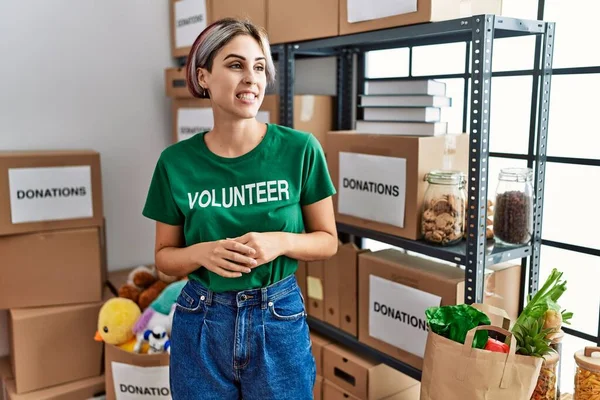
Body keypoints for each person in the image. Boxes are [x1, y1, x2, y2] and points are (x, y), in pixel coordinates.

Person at [142, 17, 338, 399]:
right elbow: (164, 260)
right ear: (203, 77)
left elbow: (328, 241)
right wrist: (204, 253)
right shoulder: (175, 163)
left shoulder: (301, 150)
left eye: (259, 66)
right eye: (235, 65)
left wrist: (278, 243)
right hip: (200, 321)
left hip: (278, 320)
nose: (252, 77)